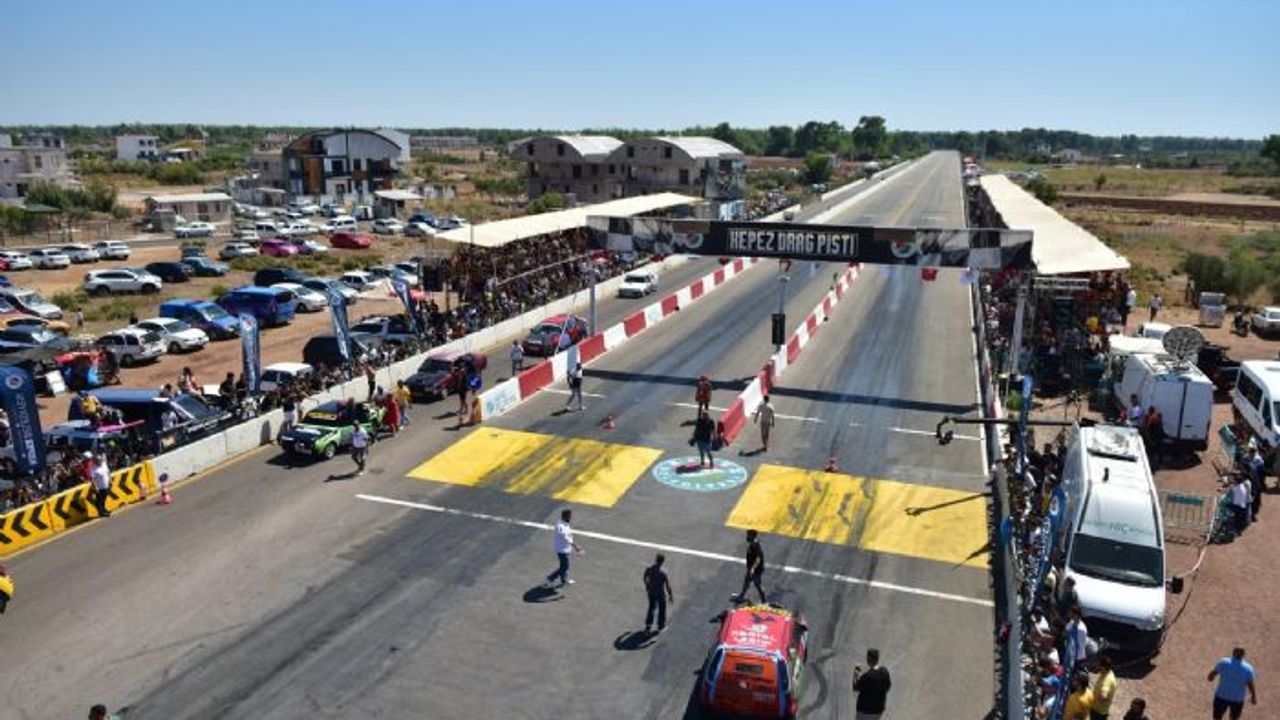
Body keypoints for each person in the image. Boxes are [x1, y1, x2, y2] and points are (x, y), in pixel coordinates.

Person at [1209, 647, 1257, 720]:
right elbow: (1250, 684)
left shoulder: (1224, 662)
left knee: (1217, 717)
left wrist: (1210, 677)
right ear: (1243, 655)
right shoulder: (1248, 668)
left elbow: (1214, 673)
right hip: (1237, 699)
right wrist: (1253, 696)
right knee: (1234, 718)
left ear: (1233, 653)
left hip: (1222, 696)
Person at [545, 509, 582, 588]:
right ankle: (550, 578)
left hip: (564, 549)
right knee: (565, 567)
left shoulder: (563, 523)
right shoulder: (561, 527)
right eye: (569, 516)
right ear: (565, 516)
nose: (570, 518)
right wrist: (576, 547)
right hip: (562, 550)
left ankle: (563, 581)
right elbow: (567, 539)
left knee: (564, 566)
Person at [851, 648, 892, 720]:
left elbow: (855, 687)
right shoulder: (884, 672)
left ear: (868, 660)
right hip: (878, 710)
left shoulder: (866, 676)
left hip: (864, 711)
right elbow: (888, 686)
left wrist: (856, 673)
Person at [732, 529, 766, 603]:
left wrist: (753, 568)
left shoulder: (755, 545)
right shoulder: (753, 543)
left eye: (748, 535)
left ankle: (764, 600)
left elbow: (758, 558)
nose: (747, 536)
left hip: (756, 570)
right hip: (751, 568)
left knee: (757, 585)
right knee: (746, 582)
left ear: (753, 536)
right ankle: (741, 596)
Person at [643, 553, 673, 635]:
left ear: (656, 559)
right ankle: (660, 626)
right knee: (662, 609)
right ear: (663, 561)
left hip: (651, 592)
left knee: (651, 608)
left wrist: (647, 586)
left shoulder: (649, 568)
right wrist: (670, 595)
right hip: (660, 594)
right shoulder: (663, 573)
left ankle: (647, 627)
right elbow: (668, 586)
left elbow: (645, 577)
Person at [1091, 654, 1117, 720]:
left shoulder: (1107, 680)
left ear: (1103, 667)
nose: (1098, 667)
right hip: (1100, 710)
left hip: (1098, 712)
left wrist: (1096, 700)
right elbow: (1094, 671)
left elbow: (1103, 696)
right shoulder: (1108, 672)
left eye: (1099, 666)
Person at [89, 451, 112, 518]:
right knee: (99, 500)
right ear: (95, 461)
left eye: (100, 460)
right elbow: (92, 479)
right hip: (100, 487)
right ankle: (101, 512)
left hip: (106, 485)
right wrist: (95, 486)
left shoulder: (104, 464)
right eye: (98, 461)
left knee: (104, 499)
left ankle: (104, 509)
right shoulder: (93, 468)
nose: (100, 461)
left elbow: (108, 472)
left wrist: (110, 480)